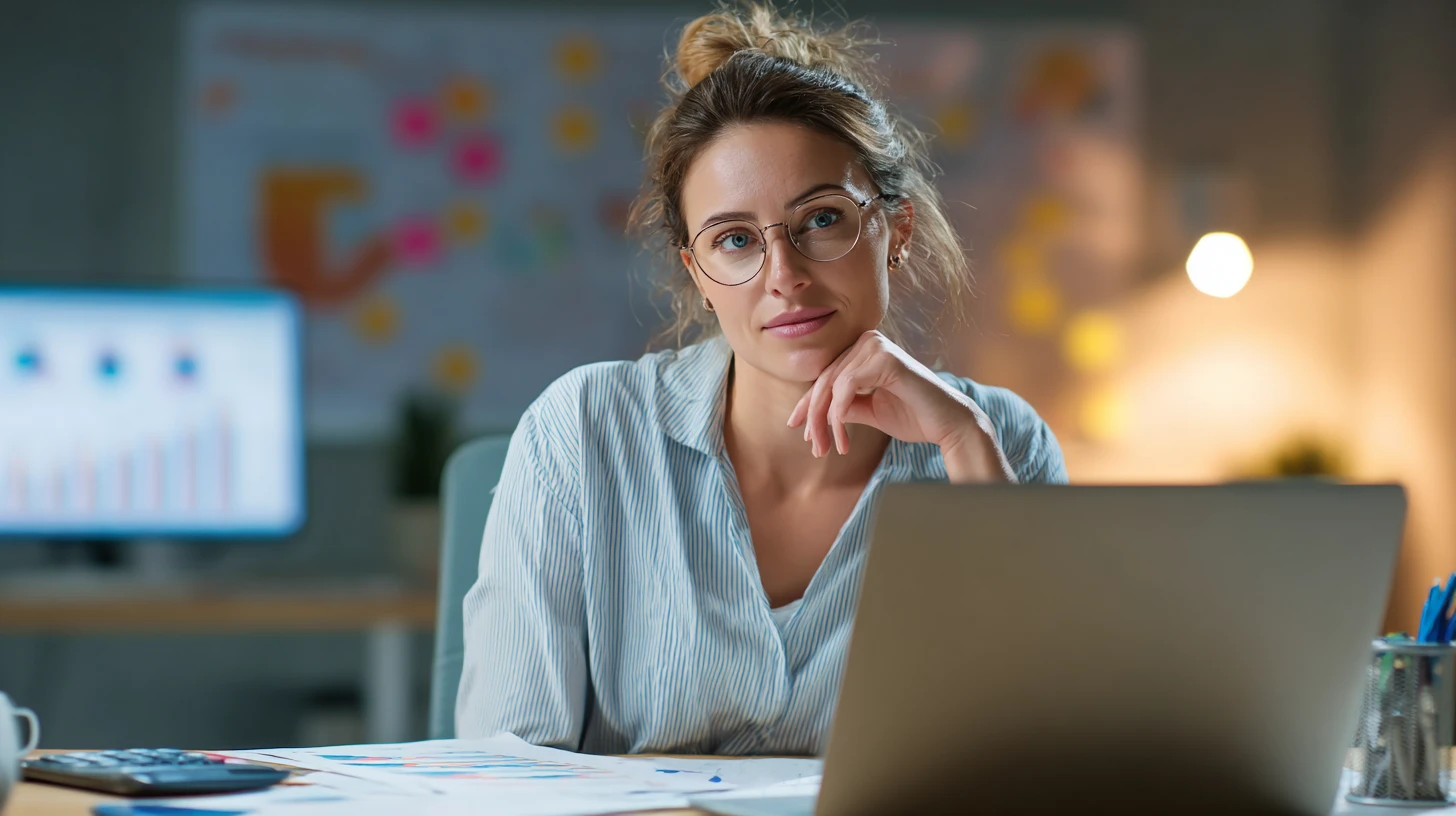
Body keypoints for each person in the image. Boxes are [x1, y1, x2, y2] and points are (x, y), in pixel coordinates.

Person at [456, 2, 1068, 755]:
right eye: (736, 240)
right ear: (699, 275)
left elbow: (1046, 749)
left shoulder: (1001, 441)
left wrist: (963, 442)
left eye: (821, 220)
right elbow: (506, 768)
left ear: (895, 230)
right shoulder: (580, 433)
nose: (784, 277)